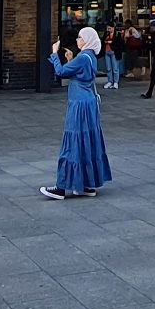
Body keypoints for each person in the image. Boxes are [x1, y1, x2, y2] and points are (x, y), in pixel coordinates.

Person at [41, 26, 112, 200]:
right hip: (88, 104)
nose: (78, 40)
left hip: (79, 105)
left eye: (81, 38)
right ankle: (88, 184)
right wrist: (71, 59)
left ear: (87, 40)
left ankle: (61, 187)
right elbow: (78, 73)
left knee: (72, 142)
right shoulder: (90, 57)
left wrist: (54, 53)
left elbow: (61, 72)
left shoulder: (83, 57)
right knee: (87, 141)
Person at [106, 24, 127, 90]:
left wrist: (111, 43)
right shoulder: (106, 34)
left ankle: (115, 82)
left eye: (109, 28)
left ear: (113, 28)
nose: (108, 30)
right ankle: (110, 81)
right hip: (107, 52)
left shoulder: (117, 35)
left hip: (114, 52)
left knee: (115, 68)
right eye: (108, 28)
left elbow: (119, 44)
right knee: (108, 68)